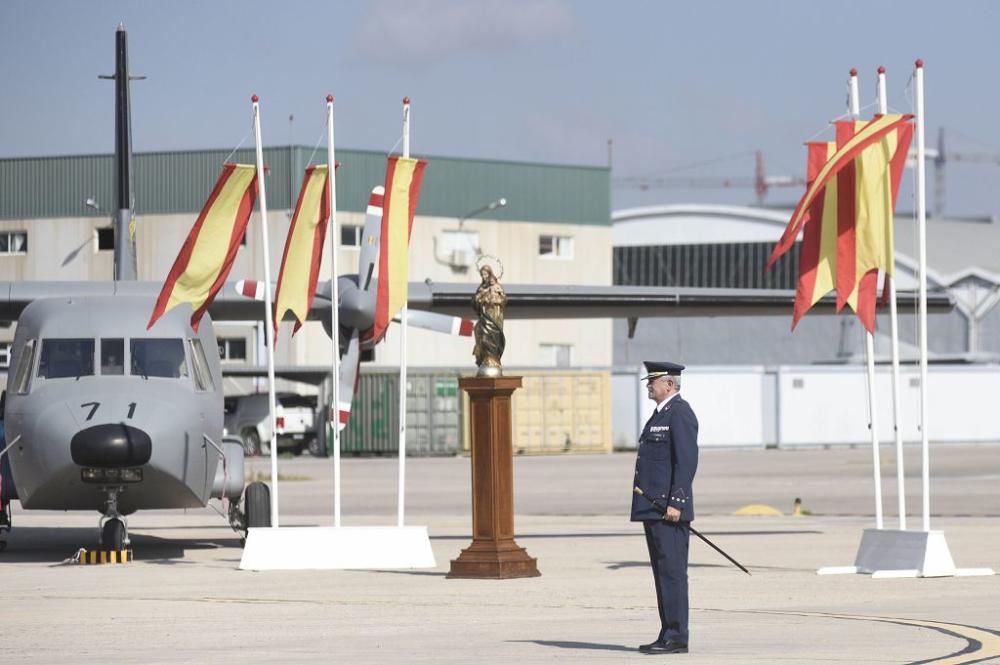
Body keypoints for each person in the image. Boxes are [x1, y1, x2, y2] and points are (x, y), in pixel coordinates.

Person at [631, 361, 698, 655]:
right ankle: (668, 631)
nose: (649, 384)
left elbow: (686, 461)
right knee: (662, 573)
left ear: (669, 384)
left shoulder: (679, 413)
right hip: (653, 507)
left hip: (668, 509)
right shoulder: (660, 415)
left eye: (653, 380)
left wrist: (676, 501)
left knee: (672, 573)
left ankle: (676, 635)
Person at [471, 264, 506, 375]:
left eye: (485, 274)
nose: (484, 276)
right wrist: (479, 299)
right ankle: (484, 358)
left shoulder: (497, 286)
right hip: (484, 315)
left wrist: (494, 299)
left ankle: (493, 359)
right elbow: (475, 300)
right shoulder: (482, 287)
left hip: (494, 315)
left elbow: (503, 299)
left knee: (492, 335)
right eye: (482, 275)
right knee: (480, 331)